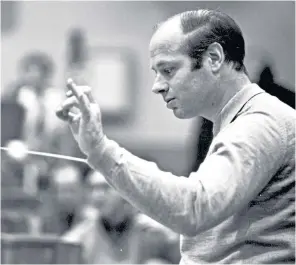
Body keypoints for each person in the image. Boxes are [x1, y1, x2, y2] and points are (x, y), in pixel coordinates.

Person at [56, 9, 295, 264]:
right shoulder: (239, 121)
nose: (157, 85)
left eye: (168, 70)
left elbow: (194, 207)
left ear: (213, 58)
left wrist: (100, 150)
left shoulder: (260, 123)